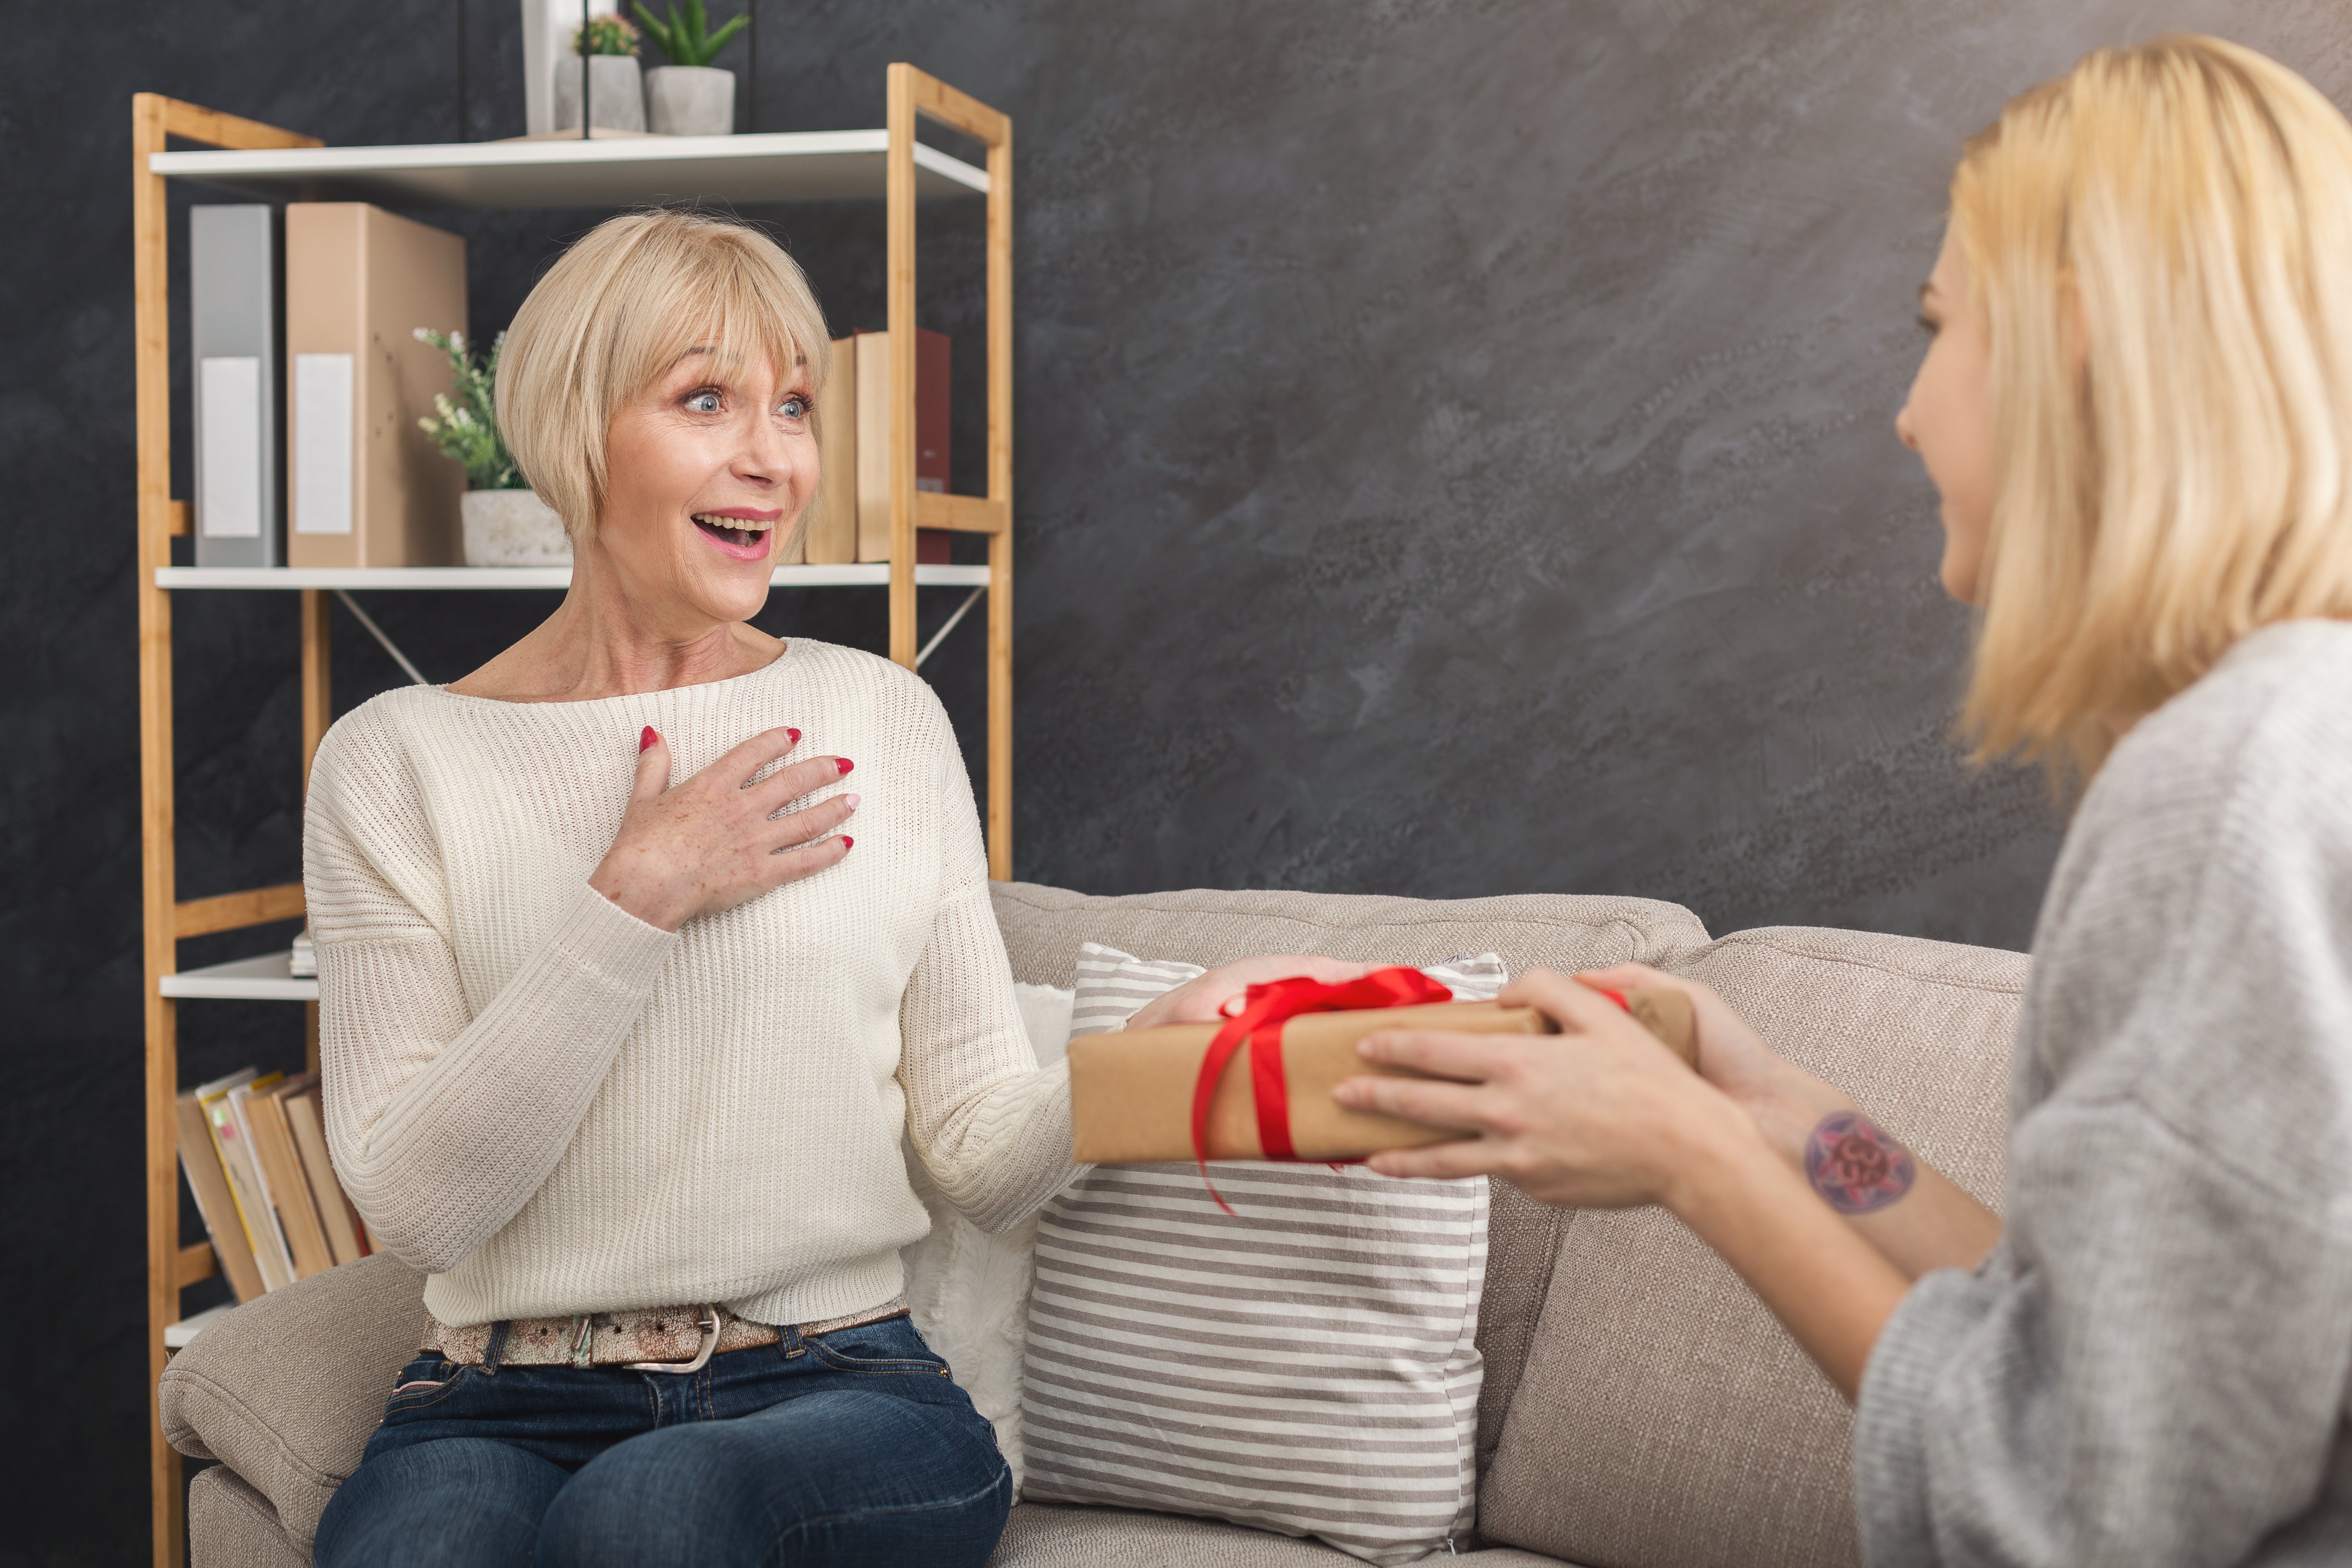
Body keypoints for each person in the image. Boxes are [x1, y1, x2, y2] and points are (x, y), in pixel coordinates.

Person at [1335, 35, 2352, 1567]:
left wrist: (1692, 1156)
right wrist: (1784, 1113)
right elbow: (2081, 1345)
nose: (1904, 411)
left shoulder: (2222, 793)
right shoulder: (2293, 735)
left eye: (1940, 327)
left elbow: (2073, 1507)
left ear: (2075, 349)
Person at [308, 210, 1072, 1568]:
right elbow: (417, 1207)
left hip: (838, 1387)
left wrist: (1185, 1065)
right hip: (494, 1399)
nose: (773, 458)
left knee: (652, 1509)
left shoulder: (881, 714)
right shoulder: (395, 758)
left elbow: (982, 1152)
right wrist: (636, 893)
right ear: (574, 426)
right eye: (706, 398)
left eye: (793, 404)